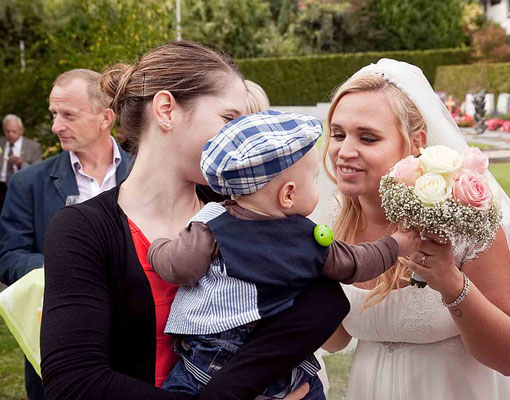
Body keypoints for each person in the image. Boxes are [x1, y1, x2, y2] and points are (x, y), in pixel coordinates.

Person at [40, 41, 349, 400]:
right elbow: (74, 383)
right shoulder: (83, 230)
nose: (241, 138)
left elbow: (325, 304)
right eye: (229, 119)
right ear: (167, 110)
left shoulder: (242, 209)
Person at [321, 59, 510, 399]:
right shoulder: (336, 228)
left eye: (367, 138)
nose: (344, 151)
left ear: (416, 144)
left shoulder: (461, 219)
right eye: (338, 134)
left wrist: (451, 283)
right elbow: (337, 340)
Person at [149, 110, 419, 399]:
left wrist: (157, 247)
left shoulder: (210, 225)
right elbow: (356, 263)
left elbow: (179, 267)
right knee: (307, 389)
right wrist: (397, 244)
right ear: (288, 195)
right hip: (283, 362)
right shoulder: (306, 238)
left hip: (211, 357)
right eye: (314, 180)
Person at [0, 69, 133, 400]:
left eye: (68, 115)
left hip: (138, 343)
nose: (56, 125)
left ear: (105, 118)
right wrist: (68, 269)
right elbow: (9, 255)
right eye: (54, 114)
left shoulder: (144, 172)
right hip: (62, 346)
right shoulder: (28, 184)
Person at [0, 114, 42, 208]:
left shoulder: (33, 146)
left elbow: (38, 170)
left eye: (13, 131)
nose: (10, 134)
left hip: (22, 187)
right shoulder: (1, 143)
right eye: (7, 131)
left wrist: (21, 163)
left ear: (21, 131)